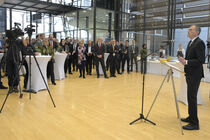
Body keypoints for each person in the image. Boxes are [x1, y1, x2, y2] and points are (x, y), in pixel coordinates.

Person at [178, 25, 205, 130]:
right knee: (190, 97)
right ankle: (191, 117)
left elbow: (200, 60)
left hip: (195, 75)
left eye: (191, 30)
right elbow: (191, 58)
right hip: (190, 73)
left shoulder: (199, 43)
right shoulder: (191, 42)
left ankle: (195, 123)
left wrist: (187, 62)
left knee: (192, 98)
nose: (188, 31)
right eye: (188, 29)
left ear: (197, 32)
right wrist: (184, 60)